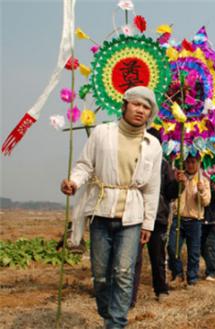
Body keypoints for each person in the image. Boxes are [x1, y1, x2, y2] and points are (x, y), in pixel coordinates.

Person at [60, 86, 162, 328]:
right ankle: (107, 313)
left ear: (150, 114)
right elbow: (85, 165)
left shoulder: (153, 145)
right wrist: (74, 182)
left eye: (146, 107)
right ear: (124, 105)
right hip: (100, 211)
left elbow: (152, 187)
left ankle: (116, 323)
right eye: (136, 104)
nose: (140, 110)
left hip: (132, 217)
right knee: (101, 275)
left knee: (124, 273)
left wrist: (148, 222)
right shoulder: (102, 133)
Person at [131, 128, 179, 307]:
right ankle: (130, 297)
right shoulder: (136, 159)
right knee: (133, 258)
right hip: (135, 215)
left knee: (158, 257)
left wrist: (177, 183)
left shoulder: (165, 165)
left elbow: (170, 193)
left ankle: (161, 289)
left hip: (157, 218)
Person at [167, 154, 211, 286]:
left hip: (194, 220)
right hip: (178, 219)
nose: (190, 165)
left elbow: (206, 202)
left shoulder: (203, 180)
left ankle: (192, 278)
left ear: (198, 163)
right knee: (172, 247)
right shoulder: (180, 176)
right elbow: (172, 194)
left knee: (194, 252)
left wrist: (201, 191)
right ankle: (178, 274)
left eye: (193, 162)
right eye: (188, 162)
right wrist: (179, 184)